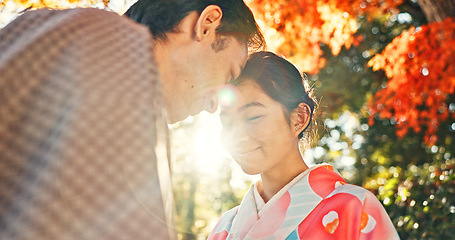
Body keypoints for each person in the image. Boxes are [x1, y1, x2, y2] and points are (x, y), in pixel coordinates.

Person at [0, 1, 264, 239]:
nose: (214, 105)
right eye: (229, 75)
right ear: (207, 25)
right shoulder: (121, 52)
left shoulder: (58, 30)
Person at [209, 51, 400, 240]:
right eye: (227, 122)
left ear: (299, 118)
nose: (236, 136)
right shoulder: (225, 227)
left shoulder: (355, 207)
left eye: (253, 117)